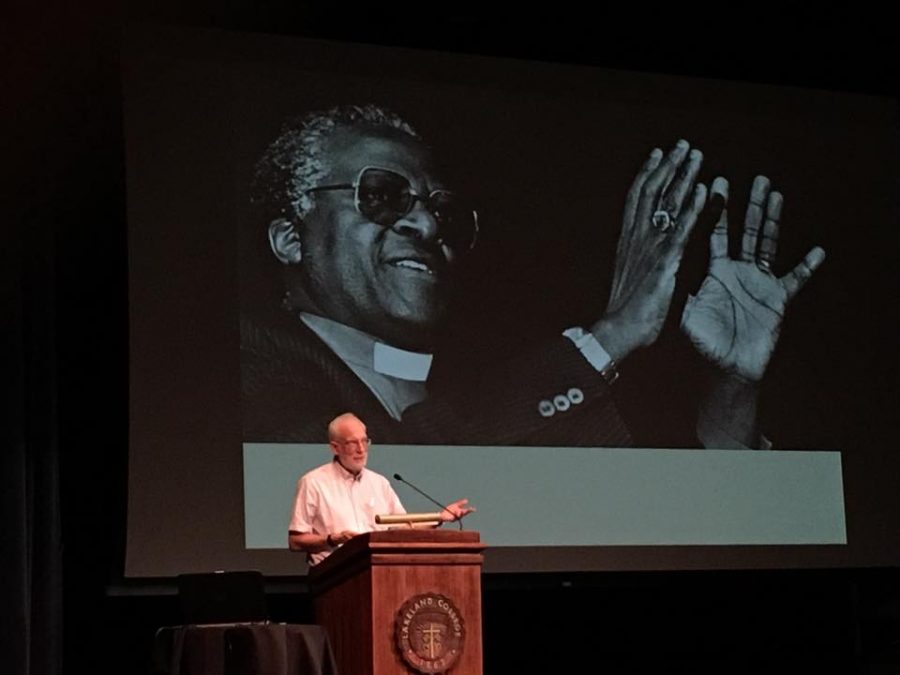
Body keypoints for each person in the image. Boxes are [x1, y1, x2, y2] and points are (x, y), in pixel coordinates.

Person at [241, 104, 824, 449]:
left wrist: (734, 385)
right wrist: (611, 333)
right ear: (291, 238)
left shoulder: (495, 383)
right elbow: (388, 473)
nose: (424, 220)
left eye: (440, 208)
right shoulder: (246, 361)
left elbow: (672, 515)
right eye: (383, 195)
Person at [288, 413, 475, 565]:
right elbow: (295, 542)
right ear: (335, 448)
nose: (361, 449)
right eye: (353, 443)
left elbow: (402, 528)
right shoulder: (313, 482)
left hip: (380, 571)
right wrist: (332, 539)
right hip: (333, 577)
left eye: (364, 441)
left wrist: (439, 518)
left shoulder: (379, 483)